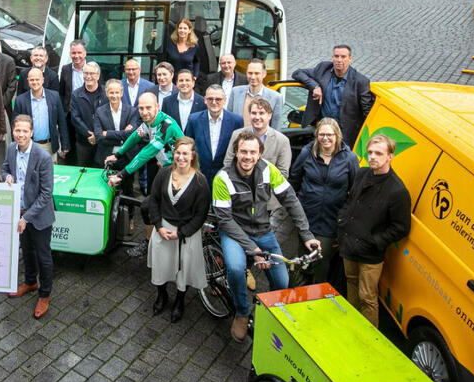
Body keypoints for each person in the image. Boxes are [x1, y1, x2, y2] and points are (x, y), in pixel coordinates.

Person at [214, 130, 320, 341]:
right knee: (235, 269)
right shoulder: (222, 178)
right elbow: (225, 220)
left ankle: (264, 314)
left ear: (260, 154)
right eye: (243, 151)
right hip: (235, 232)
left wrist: (306, 234)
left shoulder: (268, 170)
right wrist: (253, 251)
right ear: (236, 152)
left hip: (263, 231)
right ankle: (242, 312)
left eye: (253, 152)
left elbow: (290, 199)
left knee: (282, 281)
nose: (247, 156)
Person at [336, 134, 411, 327]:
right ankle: (352, 324)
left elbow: (401, 227)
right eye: (370, 152)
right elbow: (350, 200)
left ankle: (369, 336)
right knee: (351, 283)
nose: (372, 157)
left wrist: (375, 241)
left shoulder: (398, 190)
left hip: (370, 254)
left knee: (367, 296)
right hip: (349, 244)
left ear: (390, 157)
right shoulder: (362, 173)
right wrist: (342, 221)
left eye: (378, 153)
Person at [105, 93, 184, 257]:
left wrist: (121, 174)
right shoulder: (149, 122)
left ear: (157, 107)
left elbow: (145, 154)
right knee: (148, 207)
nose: (144, 111)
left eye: (148, 107)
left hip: (180, 173)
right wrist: (118, 154)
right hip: (167, 168)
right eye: (141, 108)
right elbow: (135, 136)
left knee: (152, 207)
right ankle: (151, 243)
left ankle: (164, 247)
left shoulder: (165, 125)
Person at [145, 137, 210, 322]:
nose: (181, 157)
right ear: (173, 154)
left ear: (193, 156)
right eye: (178, 153)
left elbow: (200, 214)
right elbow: (154, 201)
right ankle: (162, 295)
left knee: (183, 269)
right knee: (161, 266)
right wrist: (158, 227)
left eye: (185, 154)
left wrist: (181, 233)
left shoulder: (200, 182)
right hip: (163, 231)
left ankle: (180, 301)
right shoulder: (164, 174)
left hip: (185, 235)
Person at [289, 117, 358, 290]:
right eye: (321, 134)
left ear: (337, 136)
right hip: (306, 217)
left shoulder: (349, 159)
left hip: (331, 221)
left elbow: (355, 191)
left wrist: (344, 220)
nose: (325, 138)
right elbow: (294, 179)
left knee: (321, 258)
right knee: (303, 259)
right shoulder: (307, 153)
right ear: (316, 135)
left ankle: (316, 295)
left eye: (329, 134)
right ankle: (297, 294)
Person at [4, 115, 55, 319]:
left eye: (25, 131)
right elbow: (5, 168)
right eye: (17, 131)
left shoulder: (42, 157)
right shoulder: (10, 149)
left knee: (44, 256)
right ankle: (30, 282)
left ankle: (44, 294)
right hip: (20, 212)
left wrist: (27, 218)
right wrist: (5, 177)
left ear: (31, 132)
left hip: (39, 217)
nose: (21, 135)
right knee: (26, 250)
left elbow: (46, 194)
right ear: (13, 131)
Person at [292, 45, 374, 148]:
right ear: (332, 57)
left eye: (343, 57)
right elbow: (297, 73)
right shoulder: (323, 69)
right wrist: (315, 86)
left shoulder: (360, 81)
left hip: (345, 134)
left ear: (350, 59)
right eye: (336, 56)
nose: (339, 60)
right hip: (322, 130)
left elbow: (368, 111)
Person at [184, 85, 243, 180]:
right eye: (210, 99)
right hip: (198, 175)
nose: (214, 102)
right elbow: (188, 146)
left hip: (226, 176)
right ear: (205, 100)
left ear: (224, 100)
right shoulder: (194, 120)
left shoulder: (236, 121)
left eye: (218, 99)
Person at [223, 97, 291, 177]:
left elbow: (283, 173)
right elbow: (228, 163)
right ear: (249, 114)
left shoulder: (282, 141)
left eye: (261, 113)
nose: (257, 117)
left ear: (269, 115)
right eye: (254, 113)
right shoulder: (237, 134)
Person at [13, 68, 69, 159]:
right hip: (28, 146)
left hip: (49, 146)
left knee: (50, 172)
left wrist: (65, 145)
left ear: (43, 80)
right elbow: (15, 125)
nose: (35, 82)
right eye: (32, 80)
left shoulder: (54, 96)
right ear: (28, 81)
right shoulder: (20, 100)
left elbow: (62, 122)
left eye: (37, 79)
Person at [93, 79, 139, 168]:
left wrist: (107, 133)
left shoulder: (132, 111)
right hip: (105, 156)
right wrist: (123, 136)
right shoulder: (100, 111)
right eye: (111, 92)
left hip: (126, 158)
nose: (114, 96)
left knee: (126, 182)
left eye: (117, 92)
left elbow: (131, 135)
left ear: (121, 93)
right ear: (106, 94)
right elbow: (98, 136)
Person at [229, 58, 284, 129]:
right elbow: (229, 120)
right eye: (250, 73)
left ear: (264, 74)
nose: (253, 77)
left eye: (257, 73)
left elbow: (276, 127)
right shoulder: (235, 92)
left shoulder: (276, 97)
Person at [68, 62, 105, 167]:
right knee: (83, 172)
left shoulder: (105, 93)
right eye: (86, 73)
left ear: (98, 76)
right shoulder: (76, 94)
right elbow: (75, 118)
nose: (88, 76)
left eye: (92, 73)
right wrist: (89, 134)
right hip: (83, 142)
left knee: (100, 173)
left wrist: (97, 135)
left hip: (102, 143)